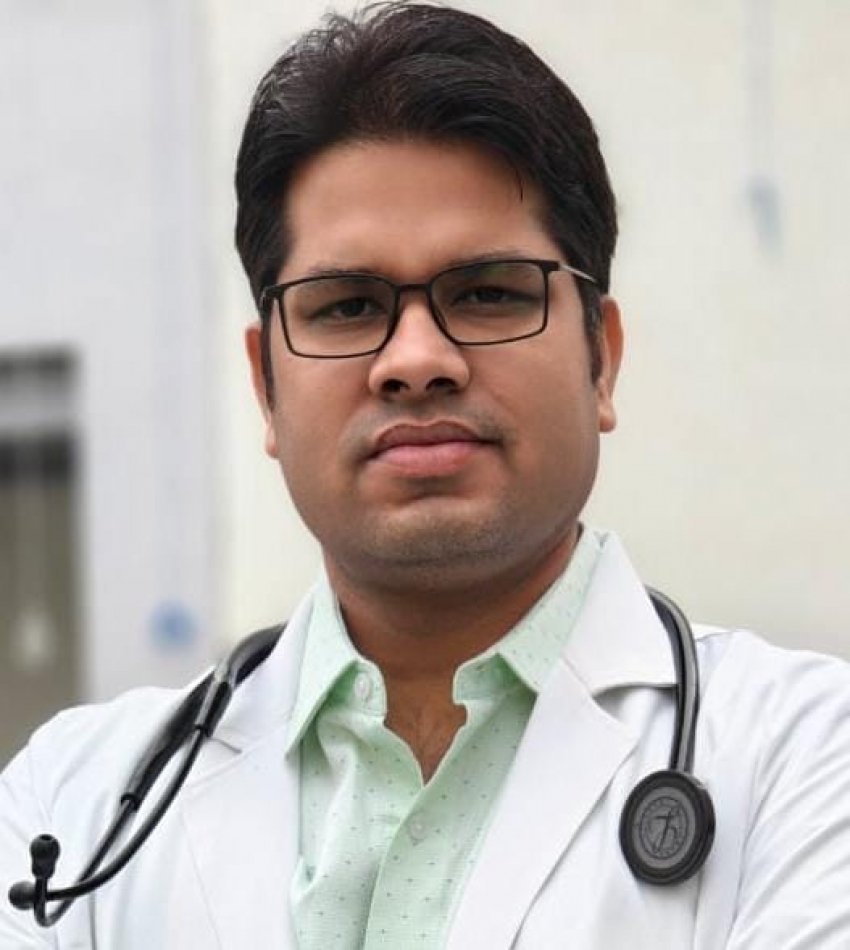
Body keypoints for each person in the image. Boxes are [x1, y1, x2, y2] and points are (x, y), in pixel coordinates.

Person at [2, 3, 850, 947]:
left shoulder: (810, 760)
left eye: (486, 293)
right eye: (347, 306)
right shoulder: (70, 809)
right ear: (266, 386)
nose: (415, 360)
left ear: (601, 359)